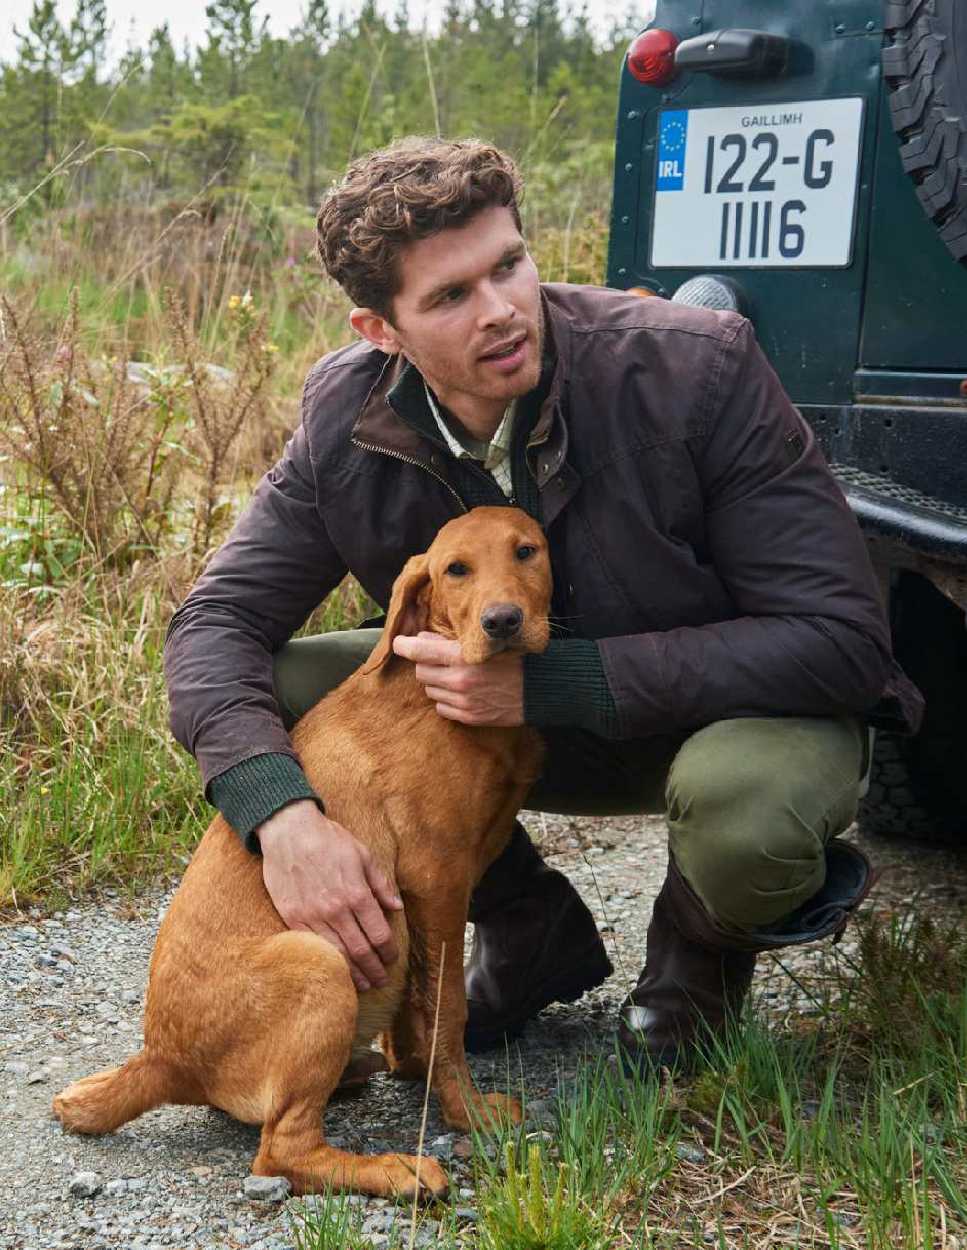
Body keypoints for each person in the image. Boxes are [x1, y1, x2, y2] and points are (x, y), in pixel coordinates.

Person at [164, 136, 922, 1070]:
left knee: (745, 814)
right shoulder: (347, 419)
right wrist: (279, 815)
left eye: (510, 266)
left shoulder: (695, 368)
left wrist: (556, 684)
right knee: (290, 684)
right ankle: (528, 926)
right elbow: (215, 624)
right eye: (449, 297)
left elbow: (845, 643)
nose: (501, 311)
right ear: (381, 332)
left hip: (728, 718)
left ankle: (697, 958)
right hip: (508, 730)